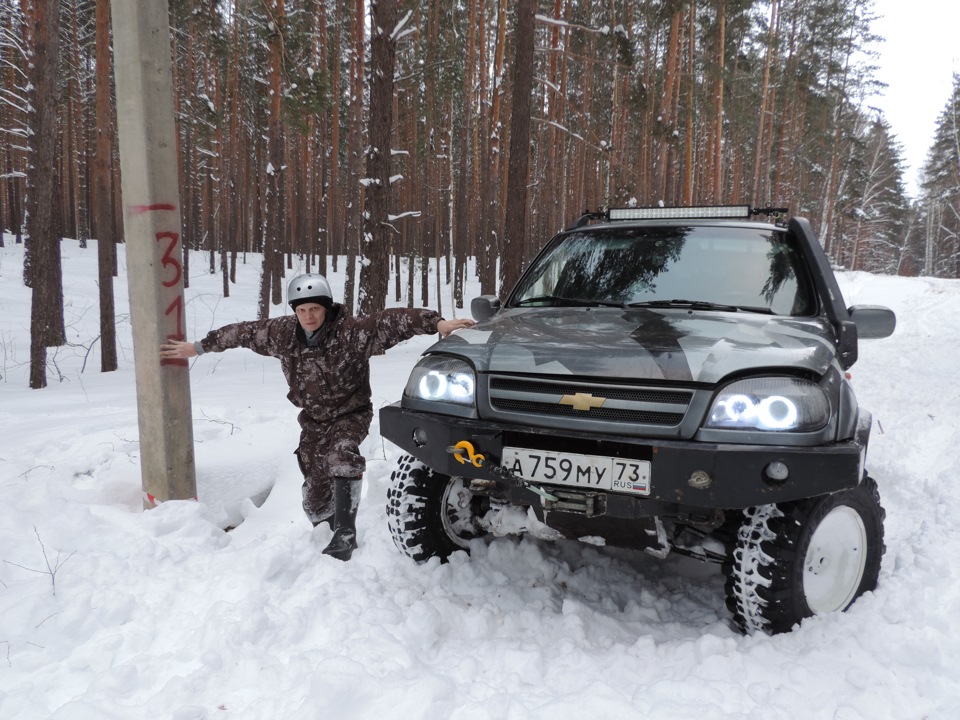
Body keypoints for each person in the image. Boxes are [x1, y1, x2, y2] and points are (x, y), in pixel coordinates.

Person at [160, 273, 474, 561]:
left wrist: (436, 324)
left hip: (350, 413)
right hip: (313, 420)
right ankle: (326, 528)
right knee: (313, 495)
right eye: (302, 310)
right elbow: (242, 333)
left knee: (342, 455)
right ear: (295, 311)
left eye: (315, 309)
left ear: (326, 308)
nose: (309, 316)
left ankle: (345, 533)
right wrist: (199, 347)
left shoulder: (351, 333)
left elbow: (389, 321)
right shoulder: (281, 334)